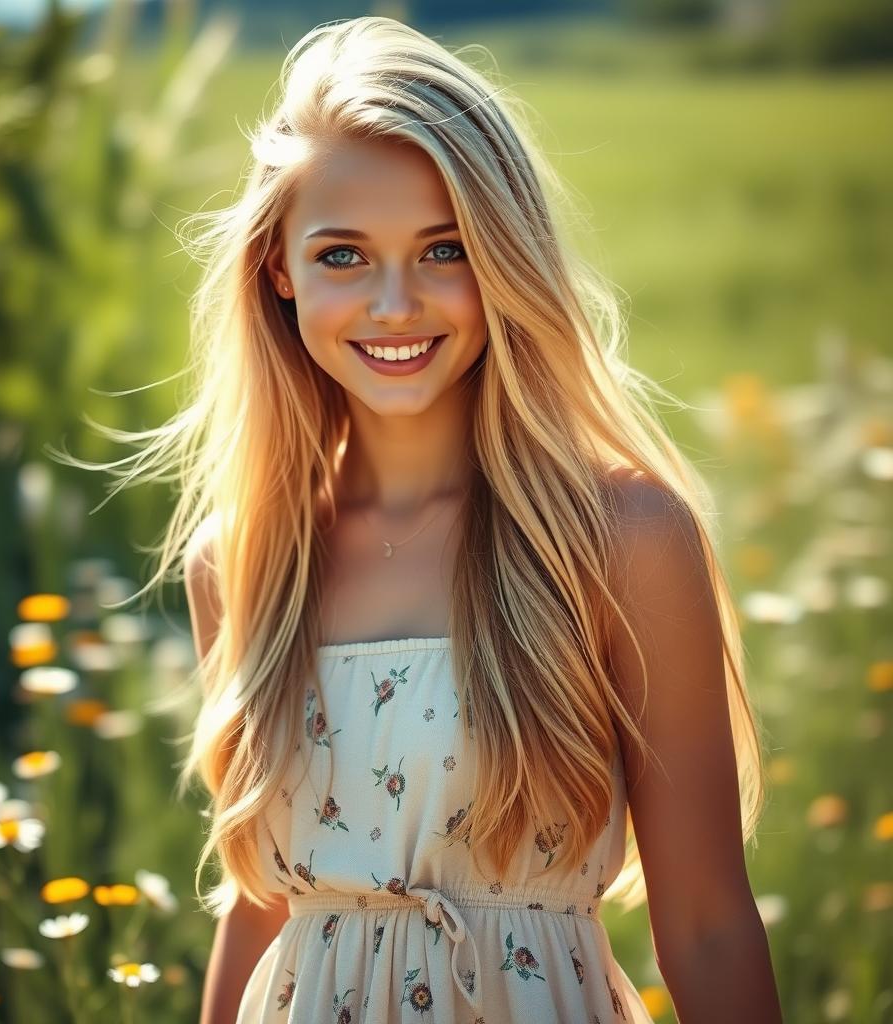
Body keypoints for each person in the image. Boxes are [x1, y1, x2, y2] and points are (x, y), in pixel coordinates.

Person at [83, 15, 783, 1023]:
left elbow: (708, 920)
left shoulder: (621, 538)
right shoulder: (240, 557)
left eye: (443, 248)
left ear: (504, 258)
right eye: (343, 255)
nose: (395, 303)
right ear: (279, 269)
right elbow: (263, 900)